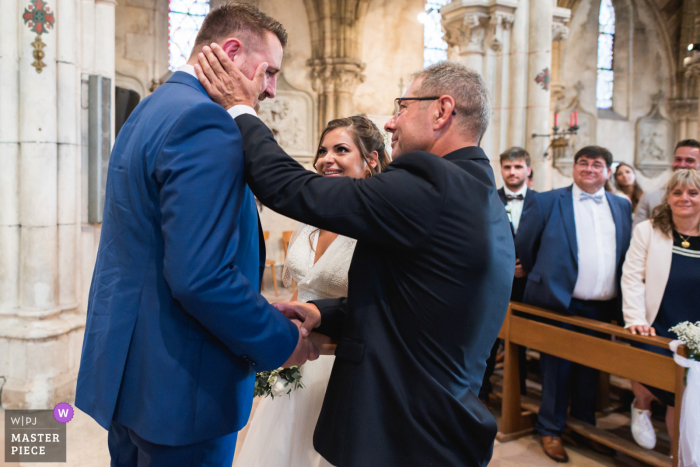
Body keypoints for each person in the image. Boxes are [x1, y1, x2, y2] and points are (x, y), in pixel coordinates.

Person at [196, 51, 514, 466]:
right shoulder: (478, 192)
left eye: (402, 107)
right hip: (437, 422)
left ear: (442, 110)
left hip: (403, 430)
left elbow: (289, 188)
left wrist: (240, 106)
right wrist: (325, 314)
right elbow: (414, 309)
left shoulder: (434, 183)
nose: (390, 122)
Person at [75, 5, 318, 467]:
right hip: (183, 388)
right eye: (269, 72)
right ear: (231, 52)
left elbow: (156, 250)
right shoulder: (207, 123)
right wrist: (281, 341)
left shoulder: (152, 108)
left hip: (133, 377)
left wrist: (254, 305)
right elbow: (200, 277)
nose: (270, 88)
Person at [235, 116, 390, 467]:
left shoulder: (376, 225)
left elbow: (378, 306)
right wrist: (278, 338)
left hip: (340, 363)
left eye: (341, 149)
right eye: (322, 150)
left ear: (371, 161)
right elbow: (302, 291)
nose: (326, 158)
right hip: (297, 358)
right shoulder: (310, 219)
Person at [516, 146, 633, 463]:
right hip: (559, 302)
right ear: (574, 168)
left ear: (608, 172)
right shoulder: (548, 200)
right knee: (556, 370)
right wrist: (538, 272)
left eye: (598, 164)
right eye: (583, 163)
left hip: (602, 307)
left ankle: (584, 427)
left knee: (589, 373)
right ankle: (549, 428)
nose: (590, 169)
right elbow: (525, 246)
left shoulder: (622, 206)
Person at [621, 169, 700, 451]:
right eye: (677, 192)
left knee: (689, 396)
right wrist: (636, 319)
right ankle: (641, 406)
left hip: (696, 330)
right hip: (656, 322)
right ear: (667, 197)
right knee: (673, 392)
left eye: (693, 192)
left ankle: (681, 457)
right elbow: (631, 277)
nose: (685, 198)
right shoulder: (649, 230)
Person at [480, 147, 534, 403]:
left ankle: (519, 393)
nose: (512, 172)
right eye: (508, 167)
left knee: (522, 340)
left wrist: (529, 266)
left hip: (526, 284)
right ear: (501, 169)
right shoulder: (487, 198)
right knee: (487, 338)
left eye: (518, 167)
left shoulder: (541, 202)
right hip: (491, 282)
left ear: (528, 169)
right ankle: (482, 391)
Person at [633, 140, 700, 227]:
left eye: (689, 160)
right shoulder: (650, 197)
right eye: (678, 159)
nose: (682, 165)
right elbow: (637, 232)